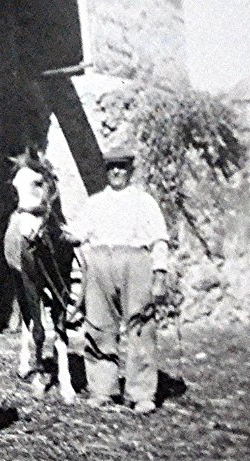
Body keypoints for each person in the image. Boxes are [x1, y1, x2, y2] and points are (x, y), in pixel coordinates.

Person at [64, 147, 169, 415]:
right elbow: (76, 234)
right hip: (100, 264)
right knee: (98, 325)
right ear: (106, 172)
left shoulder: (144, 202)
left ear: (131, 171)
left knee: (140, 325)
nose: (117, 172)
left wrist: (159, 275)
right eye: (112, 167)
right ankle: (102, 389)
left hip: (135, 262)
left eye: (122, 167)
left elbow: (159, 240)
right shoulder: (95, 203)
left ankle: (142, 392)